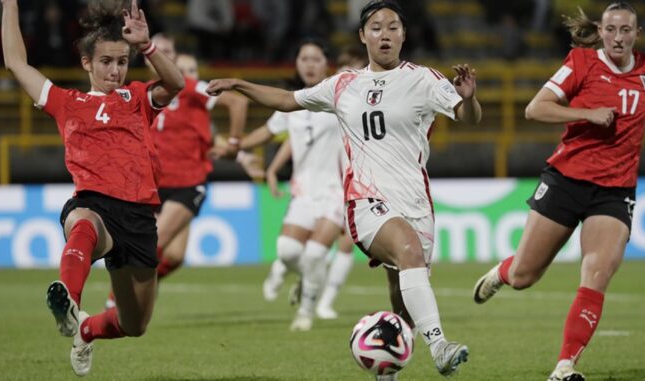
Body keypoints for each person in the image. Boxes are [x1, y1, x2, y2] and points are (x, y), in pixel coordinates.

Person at [206, 1, 481, 378]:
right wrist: (239, 84)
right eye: (376, 27)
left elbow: (467, 117)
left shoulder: (424, 80)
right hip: (366, 201)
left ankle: (388, 370)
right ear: (362, 36)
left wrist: (469, 99)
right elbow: (288, 101)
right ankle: (441, 347)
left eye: (393, 27)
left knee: (403, 295)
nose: (385, 34)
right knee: (408, 252)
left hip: (415, 201)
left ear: (404, 34)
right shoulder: (343, 84)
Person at [472, 3, 645, 381]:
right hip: (567, 180)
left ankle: (564, 368)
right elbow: (535, 109)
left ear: (637, 34)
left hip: (615, 191)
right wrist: (587, 114)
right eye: (611, 29)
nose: (618, 37)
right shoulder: (581, 63)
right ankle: (504, 271)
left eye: (626, 30)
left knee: (596, 273)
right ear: (601, 29)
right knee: (526, 276)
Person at [1, 0, 184, 376]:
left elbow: (176, 84)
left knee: (135, 325)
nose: (115, 70)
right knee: (82, 223)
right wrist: (10, 4)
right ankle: (69, 300)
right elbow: (16, 64)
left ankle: (85, 328)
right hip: (94, 203)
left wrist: (147, 46)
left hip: (138, 217)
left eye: (121, 61)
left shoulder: (136, 98)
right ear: (87, 62)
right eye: (106, 62)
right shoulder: (67, 102)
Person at [104, 34, 254, 308]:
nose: (163, 55)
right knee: (174, 255)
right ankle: (144, 287)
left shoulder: (188, 88)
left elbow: (237, 102)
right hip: (151, 184)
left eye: (168, 50)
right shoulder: (142, 92)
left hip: (187, 182)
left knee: (155, 241)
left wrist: (235, 145)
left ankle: (118, 299)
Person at [218, 39, 348, 332]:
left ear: (326, 64)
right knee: (288, 251)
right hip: (302, 190)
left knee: (315, 254)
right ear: (297, 64)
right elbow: (267, 133)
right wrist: (234, 147)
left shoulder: (339, 97)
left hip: (334, 191)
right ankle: (286, 270)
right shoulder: (292, 103)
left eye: (316, 59)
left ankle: (305, 312)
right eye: (304, 59)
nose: (310, 64)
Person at [260, 44, 369, 321]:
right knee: (297, 252)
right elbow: (300, 141)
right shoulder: (324, 101)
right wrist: (271, 168)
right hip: (315, 189)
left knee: (331, 249)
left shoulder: (362, 105)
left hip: (343, 187)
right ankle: (299, 278)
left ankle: (317, 306)